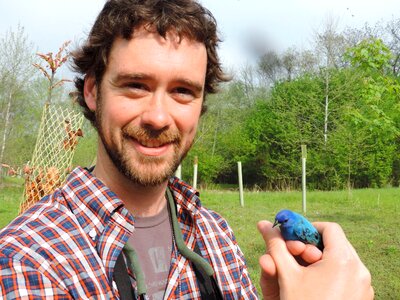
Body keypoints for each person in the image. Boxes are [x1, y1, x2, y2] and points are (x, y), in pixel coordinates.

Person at [0, 0, 373, 299]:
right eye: (135, 85)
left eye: (182, 91)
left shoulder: (214, 233)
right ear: (93, 91)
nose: (159, 117)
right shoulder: (28, 260)